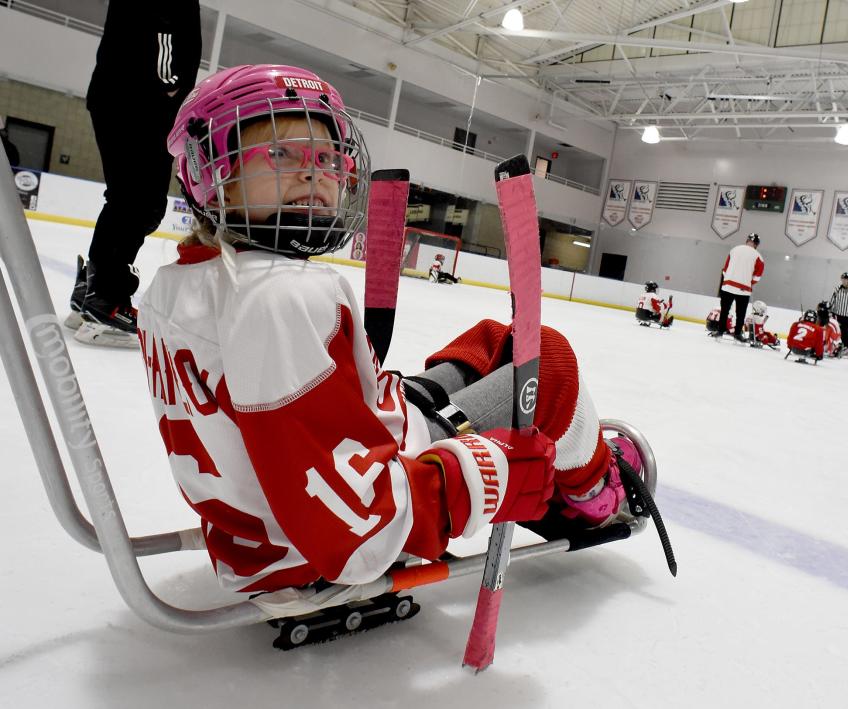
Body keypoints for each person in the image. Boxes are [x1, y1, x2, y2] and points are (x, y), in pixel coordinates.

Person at [137, 65, 647, 594]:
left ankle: (534, 448)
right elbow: (351, 526)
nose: (314, 174)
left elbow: (285, 429)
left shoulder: (175, 285)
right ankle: (593, 489)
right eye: (282, 154)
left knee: (492, 340)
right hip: (344, 519)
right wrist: (484, 473)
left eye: (326, 158)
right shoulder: (277, 297)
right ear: (209, 173)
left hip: (275, 513)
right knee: (550, 360)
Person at [65, 0, 201, 347]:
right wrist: (170, 81)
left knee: (127, 197)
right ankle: (106, 298)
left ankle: (93, 289)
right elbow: (163, 22)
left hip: (118, 94)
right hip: (142, 99)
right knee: (142, 202)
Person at [711, 232, 764, 343]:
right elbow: (757, 277)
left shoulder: (734, 250)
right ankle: (737, 335)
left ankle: (720, 332)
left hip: (728, 286)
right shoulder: (758, 257)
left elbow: (725, 269)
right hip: (744, 289)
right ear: (756, 244)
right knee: (740, 314)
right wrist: (748, 283)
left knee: (724, 311)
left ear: (747, 240)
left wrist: (729, 280)